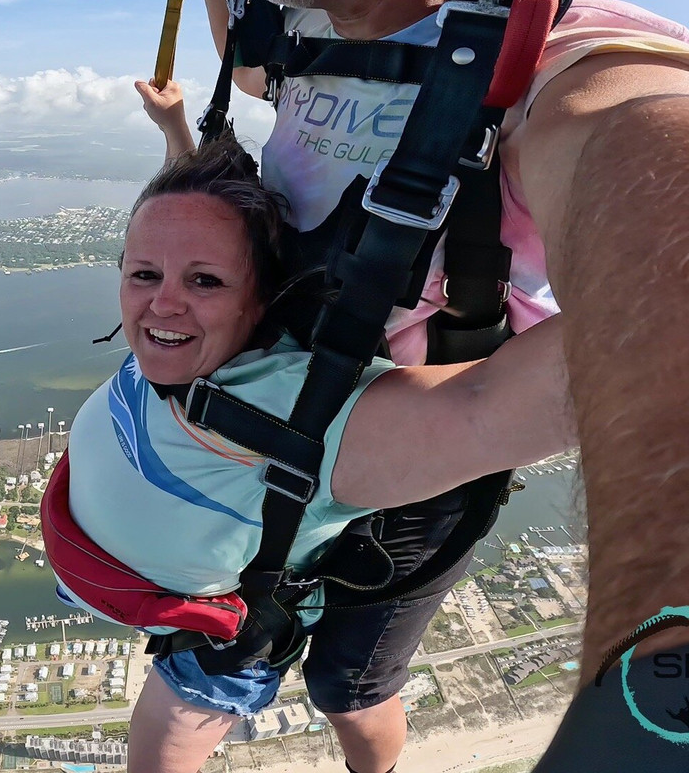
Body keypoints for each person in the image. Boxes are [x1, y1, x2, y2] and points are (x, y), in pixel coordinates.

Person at [136, 0, 689, 770]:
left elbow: (635, 142)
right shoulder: (318, 35)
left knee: (349, 685)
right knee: (203, 665)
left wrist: (647, 722)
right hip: (273, 425)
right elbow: (255, 67)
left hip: (425, 456)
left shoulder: (570, 55)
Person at [54, 136, 575, 773]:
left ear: (261, 298)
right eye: (143, 274)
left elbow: (501, 402)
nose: (162, 303)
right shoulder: (178, 352)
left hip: (215, 634)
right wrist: (175, 136)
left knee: (349, 691)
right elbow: (181, 239)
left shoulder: (307, 413)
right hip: (135, 592)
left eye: (205, 281)